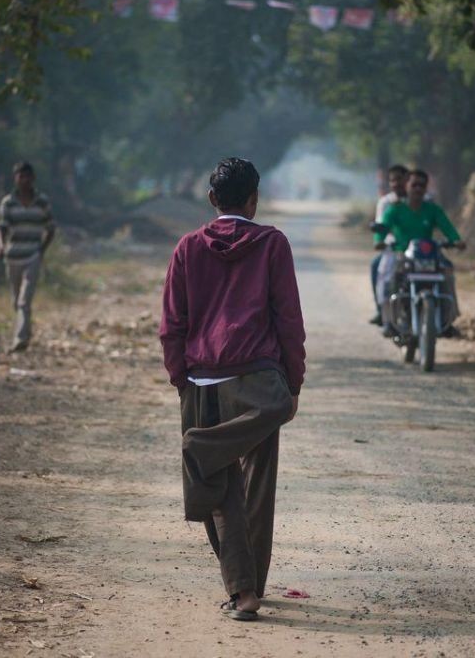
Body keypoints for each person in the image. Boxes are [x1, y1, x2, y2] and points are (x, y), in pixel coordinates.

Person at [159, 157, 305, 622]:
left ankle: (245, 590)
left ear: (211, 199)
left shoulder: (187, 247)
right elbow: (289, 320)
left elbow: (171, 325)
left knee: (220, 489)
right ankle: (246, 588)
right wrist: (294, 381)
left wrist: (182, 379)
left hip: (203, 381)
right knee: (258, 486)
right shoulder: (272, 243)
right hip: (260, 380)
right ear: (254, 200)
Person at [374, 169, 465, 337]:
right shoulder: (395, 209)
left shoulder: (432, 210)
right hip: (403, 255)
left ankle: (448, 320)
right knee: (391, 279)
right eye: (414, 184)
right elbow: (383, 226)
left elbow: (447, 227)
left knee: (447, 271)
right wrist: (379, 240)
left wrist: (456, 240)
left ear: (426, 188)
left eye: (421, 185)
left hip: (428, 255)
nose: (417, 189)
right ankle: (391, 320)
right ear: (406, 186)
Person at [0, 162, 55, 352]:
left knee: (24, 300)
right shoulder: (8, 202)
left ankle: (19, 339)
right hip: (13, 256)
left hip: (32, 255)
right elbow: (1, 227)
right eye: (21, 177)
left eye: (27, 177)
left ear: (33, 178)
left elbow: (51, 228)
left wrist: (42, 250)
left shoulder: (42, 201)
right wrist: (1, 245)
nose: (24, 181)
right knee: (16, 300)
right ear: (16, 179)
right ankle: (25, 333)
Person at [370, 164, 410, 325]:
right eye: (393, 180)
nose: (396, 184)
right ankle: (381, 310)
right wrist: (380, 241)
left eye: (400, 179)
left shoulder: (418, 199)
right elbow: (382, 227)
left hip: (417, 248)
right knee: (376, 267)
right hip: (393, 248)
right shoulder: (386, 203)